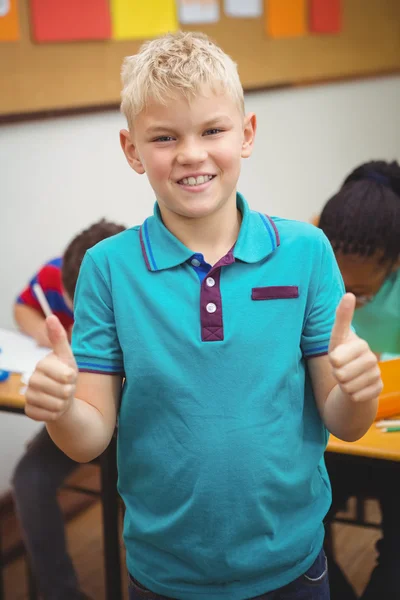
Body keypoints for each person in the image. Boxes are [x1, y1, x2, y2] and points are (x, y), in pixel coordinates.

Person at [24, 32, 382, 600]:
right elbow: (88, 440)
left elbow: (346, 421)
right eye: (164, 137)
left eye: (212, 130)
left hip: (292, 566)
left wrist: (359, 390)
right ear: (132, 149)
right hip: (164, 575)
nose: (191, 154)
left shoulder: (307, 252)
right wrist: (62, 408)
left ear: (246, 134)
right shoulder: (108, 269)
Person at [12, 219, 126, 600]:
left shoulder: (143, 285)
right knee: (29, 479)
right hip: (79, 411)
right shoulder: (55, 273)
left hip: (142, 422)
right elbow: (22, 307)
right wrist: (44, 333)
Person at [318, 160, 400, 600]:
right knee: (297, 526)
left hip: (391, 448)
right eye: (337, 289)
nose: (348, 304)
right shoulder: (306, 263)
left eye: (362, 296)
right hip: (335, 442)